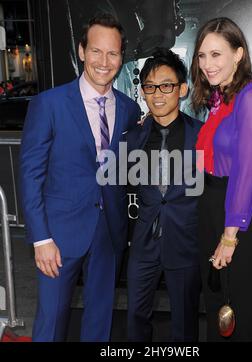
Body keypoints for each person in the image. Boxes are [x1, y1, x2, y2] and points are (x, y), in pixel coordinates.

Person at [19, 13, 141, 342]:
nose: (105, 61)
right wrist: (41, 238)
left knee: (99, 322)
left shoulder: (130, 110)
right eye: (97, 51)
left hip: (109, 234)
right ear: (82, 51)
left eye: (113, 53)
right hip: (57, 236)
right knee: (51, 323)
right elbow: (30, 175)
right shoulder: (49, 104)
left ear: (122, 56)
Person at [191, 17, 252, 341]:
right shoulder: (219, 101)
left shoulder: (251, 98)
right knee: (218, 311)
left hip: (241, 220)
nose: (207, 64)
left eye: (216, 55)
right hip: (215, 210)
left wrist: (229, 236)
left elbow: (247, 171)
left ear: (238, 54)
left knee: (242, 316)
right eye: (201, 55)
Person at [126, 48, 203, 342]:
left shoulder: (203, 135)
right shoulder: (133, 137)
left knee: (184, 323)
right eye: (150, 87)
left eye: (166, 85)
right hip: (144, 243)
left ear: (182, 89)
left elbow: (226, 185)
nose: (158, 94)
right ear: (143, 92)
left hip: (185, 242)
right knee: (135, 316)